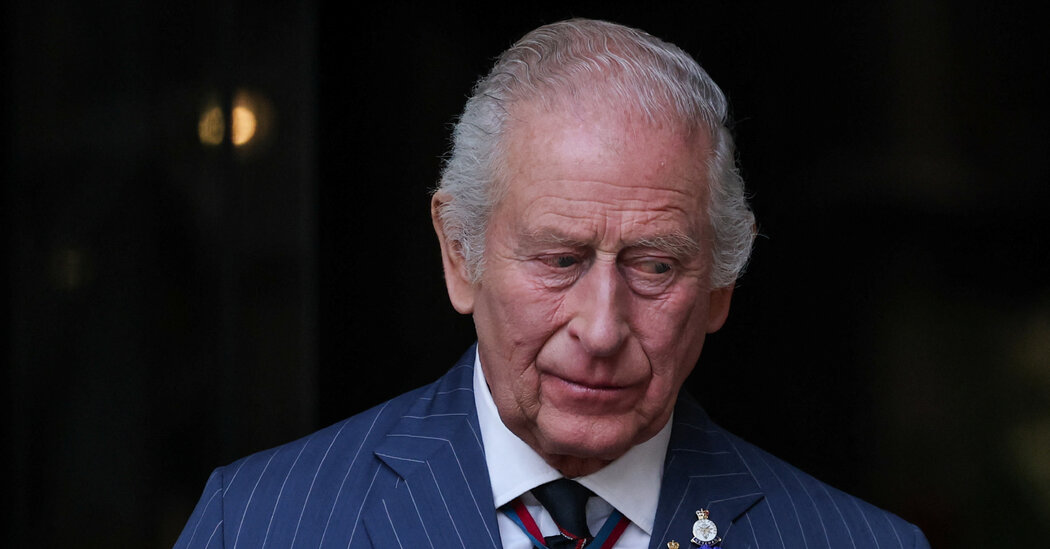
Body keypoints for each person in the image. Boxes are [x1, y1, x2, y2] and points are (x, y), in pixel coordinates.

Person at [175, 19, 929, 549]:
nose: (600, 329)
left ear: (721, 287)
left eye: (655, 266)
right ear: (459, 254)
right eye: (559, 259)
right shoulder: (260, 524)